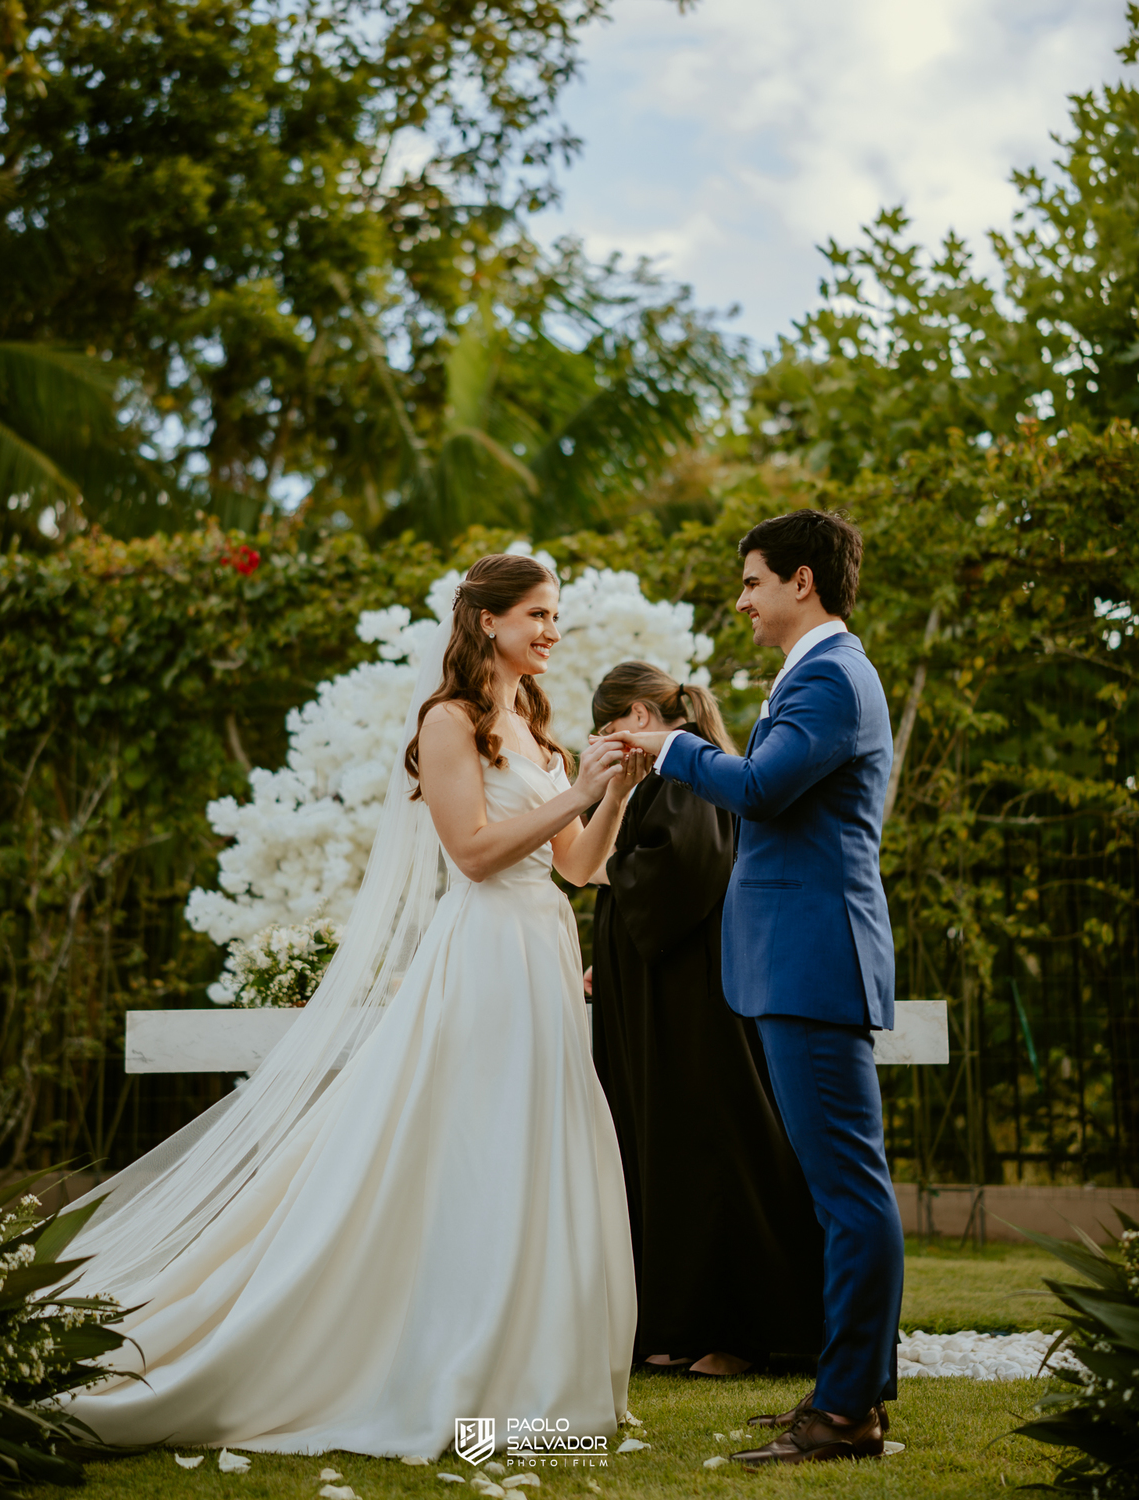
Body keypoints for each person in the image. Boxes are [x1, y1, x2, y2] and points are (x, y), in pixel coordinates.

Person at [62, 553, 642, 1459]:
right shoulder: (450, 723)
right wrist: (575, 790)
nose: (552, 633)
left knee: (539, 1141)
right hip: (486, 957)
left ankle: (529, 1389)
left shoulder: (540, 730)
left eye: (556, 616)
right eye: (536, 615)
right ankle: (439, 1363)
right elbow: (476, 855)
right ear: (487, 622)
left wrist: (612, 795)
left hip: (546, 956)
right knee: (477, 1149)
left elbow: (578, 867)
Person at [609, 509, 904, 1468]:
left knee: (848, 1193)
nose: (741, 602)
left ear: (801, 583)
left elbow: (765, 789)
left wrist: (672, 746)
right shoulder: (818, 673)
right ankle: (843, 1395)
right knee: (836, 1192)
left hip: (815, 963)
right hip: (797, 963)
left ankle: (848, 1412)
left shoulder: (829, 675)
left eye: (751, 583)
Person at [586, 662, 823, 1379]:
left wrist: (602, 871)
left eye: (604, 730)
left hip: (697, 1006)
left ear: (633, 715)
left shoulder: (688, 771)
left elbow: (683, 870)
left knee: (714, 1147)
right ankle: (682, 1326)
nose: (602, 744)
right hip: (671, 998)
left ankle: (743, 1334)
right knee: (673, 1153)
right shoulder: (680, 771)